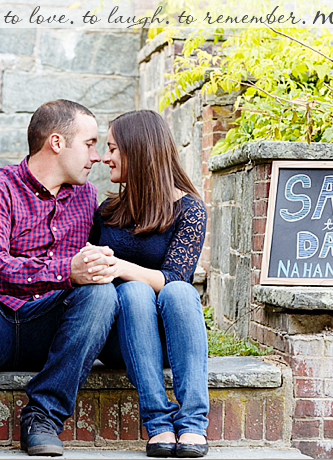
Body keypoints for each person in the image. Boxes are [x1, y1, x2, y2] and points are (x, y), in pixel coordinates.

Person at [0, 99, 119, 457]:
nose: (96, 156)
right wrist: (65, 270)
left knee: (101, 294)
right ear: (56, 143)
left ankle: (43, 417)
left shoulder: (86, 196)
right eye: (90, 143)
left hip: (48, 330)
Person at [89, 110, 210, 458]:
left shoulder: (189, 210)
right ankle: (158, 422)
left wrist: (118, 265)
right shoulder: (107, 211)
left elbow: (175, 276)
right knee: (134, 291)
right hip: (121, 337)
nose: (105, 157)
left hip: (169, 336)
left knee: (181, 290)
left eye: (113, 148)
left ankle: (192, 424)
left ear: (138, 150)